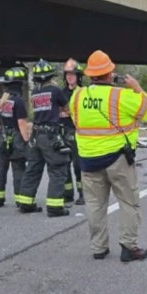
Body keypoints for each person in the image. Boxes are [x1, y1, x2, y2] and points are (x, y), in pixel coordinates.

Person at [69, 50, 147, 262]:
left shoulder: (77, 96)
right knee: (128, 202)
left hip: (88, 159)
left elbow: (75, 120)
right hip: (117, 159)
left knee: (95, 205)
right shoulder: (121, 96)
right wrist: (137, 88)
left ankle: (99, 248)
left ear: (89, 75)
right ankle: (128, 247)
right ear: (109, 73)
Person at [16, 59, 72, 217]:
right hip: (51, 135)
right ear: (50, 76)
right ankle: (55, 207)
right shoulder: (55, 91)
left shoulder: (34, 94)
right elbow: (67, 109)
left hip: (36, 135)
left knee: (33, 169)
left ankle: (26, 203)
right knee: (58, 169)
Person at [0, 66, 31, 208]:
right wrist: (27, 141)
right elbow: (22, 123)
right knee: (19, 169)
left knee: (0, 169)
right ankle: (20, 199)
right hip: (17, 140)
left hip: (1, 139)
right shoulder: (18, 102)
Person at [59, 58, 86, 207]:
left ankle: (83, 194)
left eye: (73, 74)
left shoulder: (83, 92)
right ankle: (67, 194)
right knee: (64, 164)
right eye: (67, 74)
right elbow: (58, 111)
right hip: (63, 131)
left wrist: (68, 112)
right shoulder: (61, 93)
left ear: (78, 76)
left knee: (78, 165)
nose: (70, 77)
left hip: (78, 132)